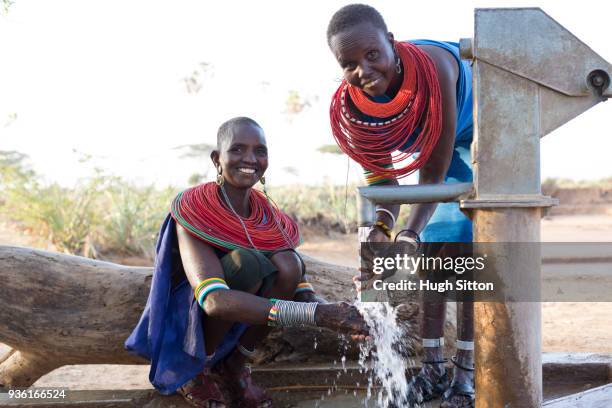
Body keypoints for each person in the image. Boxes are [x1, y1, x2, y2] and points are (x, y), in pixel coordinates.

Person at [125, 116, 368, 408]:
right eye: (237, 149)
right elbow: (214, 300)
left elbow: (299, 288)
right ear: (217, 159)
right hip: (191, 315)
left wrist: (337, 313)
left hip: (241, 313)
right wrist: (316, 315)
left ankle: (235, 366)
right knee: (247, 264)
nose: (250, 159)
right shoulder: (195, 209)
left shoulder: (267, 217)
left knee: (289, 264)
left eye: (260, 151)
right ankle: (198, 369)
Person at [326, 4, 475, 408]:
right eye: (349, 63)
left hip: (486, 132)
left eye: (372, 54)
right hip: (440, 160)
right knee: (432, 257)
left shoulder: (436, 68)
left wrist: (407, 234)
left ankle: (466, 374)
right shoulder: (355, 109)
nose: (364, 70)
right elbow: (383, 181)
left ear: (391, 43)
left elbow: (433, 177)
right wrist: (381, 230)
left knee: (461, 251)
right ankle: (433, 368)